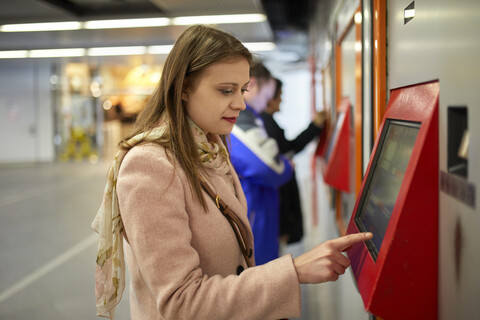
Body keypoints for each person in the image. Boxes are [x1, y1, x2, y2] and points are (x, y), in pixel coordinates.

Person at [92, 24, 372, 320]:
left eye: (242, 90)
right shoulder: (150, 166)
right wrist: (293, 272)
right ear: (183, 87)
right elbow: (181, 303)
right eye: (226, 90)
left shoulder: (211, 146)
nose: (240, 104)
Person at [229, 61, 293, 265]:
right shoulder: (239, 121)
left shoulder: (250, 119)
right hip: (252, 220)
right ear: (252, 85)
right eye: (266, 98)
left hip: (257, 215)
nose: (267, 106)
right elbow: (270, 167)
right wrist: (287, 165)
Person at [260, 78, 326, 245]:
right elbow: (289, 148)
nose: (281, 100)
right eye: (280, 95)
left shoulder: (265, 122)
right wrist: (315, 126)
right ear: (270, 98)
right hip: (279, 205)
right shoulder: (266, 123)